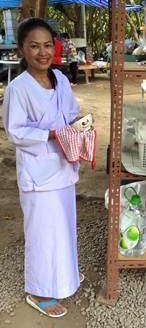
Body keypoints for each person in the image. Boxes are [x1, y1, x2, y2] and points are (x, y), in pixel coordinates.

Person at [2, 18, 84, 318]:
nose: (42, 52)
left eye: (47, 45)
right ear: (22, 48)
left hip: (64, 164)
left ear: (55, 47)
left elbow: (71, 113)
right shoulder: (18, 88)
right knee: (41, 232)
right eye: (34, 46)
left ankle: (64, 278)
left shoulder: (60, 79)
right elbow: (16, 132)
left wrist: (79, 128)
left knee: (62, 227)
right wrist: (51, 134)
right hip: (38, 173)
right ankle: (38, 290)